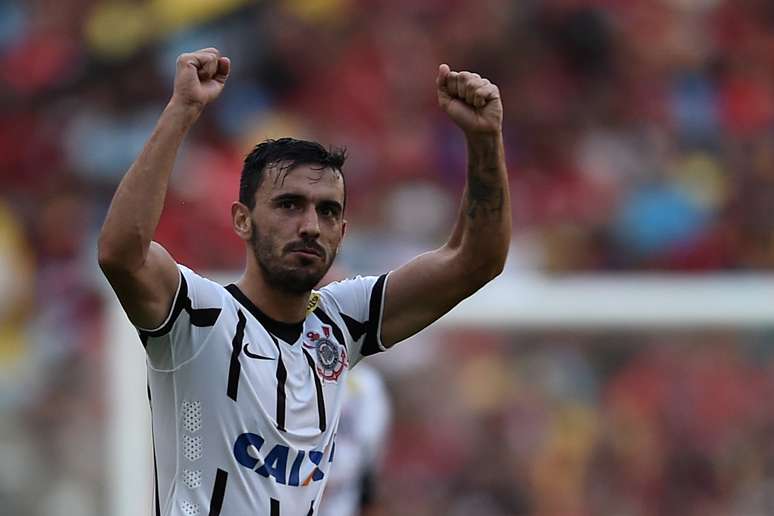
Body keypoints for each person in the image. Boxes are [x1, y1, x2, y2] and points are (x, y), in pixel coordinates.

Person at [98, 47, 510, 516]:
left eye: (327, 210)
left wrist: (483, 139)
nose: (311, 225)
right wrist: (183, 110)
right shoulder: (196, 317)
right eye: (289, 204)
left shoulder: (341, 323)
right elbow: (121, 254)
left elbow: (476, 261)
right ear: (242, 220)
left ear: (343, 232)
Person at [317, 362, 391, 516]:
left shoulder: (366, 382)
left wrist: (329, 479)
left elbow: (367, 445)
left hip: (339, 493)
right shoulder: (303, 366)